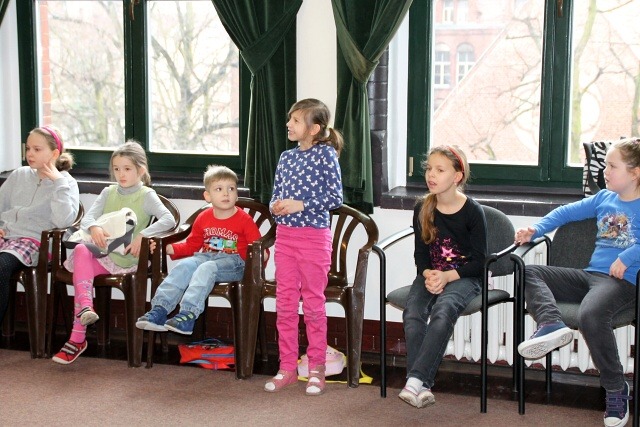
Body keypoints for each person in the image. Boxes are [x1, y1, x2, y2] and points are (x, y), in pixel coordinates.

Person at [515, 137, 640, 427]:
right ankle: (551, 323)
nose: (605, 172)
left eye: (613, 166)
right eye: (605, 165)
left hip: (621, 283)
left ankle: (615, 388)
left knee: (590, 315)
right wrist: (536, 229)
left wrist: (627, 257)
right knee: (529, 271)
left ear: (635, 173)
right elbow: (566, 212)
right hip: (589, 276)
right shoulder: (603, 198)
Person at [52, 140, 176, 365]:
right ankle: (86, 308)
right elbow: (87, 218)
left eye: (127, 169)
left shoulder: (146, 195)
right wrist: (94, 227)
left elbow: (168, 219)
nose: (121, 174)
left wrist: (143, 235)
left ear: (141, 170)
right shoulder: (108, 192)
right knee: (81, 249)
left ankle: (77, 338)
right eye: (117, 169)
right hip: (101, 255)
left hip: (126, 260)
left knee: (81, 267)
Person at [264, 98, 343, 396]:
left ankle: (316, 369)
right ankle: (287, 367)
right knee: (284, 304)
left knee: (313, 305)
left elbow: (335, 198)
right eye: (290, 119)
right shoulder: (286, 157)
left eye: (296, 120)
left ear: (314, 128)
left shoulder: (326, 155)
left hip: (314, 240)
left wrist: (301, 204)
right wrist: (276, 207)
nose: (289, 124)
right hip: (286, 238)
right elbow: (275, 197)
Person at [399, 145, 487, 408]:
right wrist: (428, 273)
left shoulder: (473, 211)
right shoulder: (422, 207)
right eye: (429, 169)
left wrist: (447, 277)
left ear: (457, 176)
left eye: (439, 170)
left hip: (464, 277)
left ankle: (415, 379)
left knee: (443, 310)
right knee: (413, 313)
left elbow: (480, 262)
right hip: (432, 274)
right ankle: (422, 385)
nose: (431, 175)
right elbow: (420, 255)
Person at [135, 164, 264, 335]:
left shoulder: (244, 219)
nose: (226, 193)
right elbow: (192, 245)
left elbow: (258, 247)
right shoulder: (203, 217)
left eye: (231, 188)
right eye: (219, 189)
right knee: (185, 266)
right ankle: (159, 310)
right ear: (207, 196)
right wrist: (169, 249)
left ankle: (188, 315)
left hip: (235, 264)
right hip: (207, 257)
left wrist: (261, 258)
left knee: (206, 267)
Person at [0, 126, 79, 325]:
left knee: (1, 266)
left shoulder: (67, 183)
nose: (30, 154)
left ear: (54, 153)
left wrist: (58, 183)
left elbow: (64, 221)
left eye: (37, 149)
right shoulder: (19, 175)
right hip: (5, 236)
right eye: (28, 148)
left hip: (34, 242)